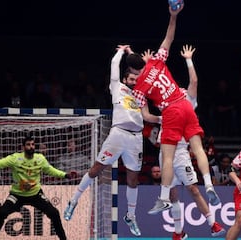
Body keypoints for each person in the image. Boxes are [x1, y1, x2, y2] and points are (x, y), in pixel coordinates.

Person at [126, 4, 220, 214]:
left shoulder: (138, 90)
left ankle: (163, 198)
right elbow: (169, 37)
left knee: (167, 157)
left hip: (170, 112)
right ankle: (210, 184)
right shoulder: (157, 61)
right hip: (185, 104)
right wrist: (173, 15)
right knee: (197, 148)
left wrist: (159, 119)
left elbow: (147, 116)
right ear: (143, 60)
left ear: (132, 71)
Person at [63, 45, 161, 237]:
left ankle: (130, 216)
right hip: (118, 134)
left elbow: (148, 117)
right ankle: (73, 201)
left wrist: (162, 119)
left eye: (136, 79)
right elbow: (114, 66)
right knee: (96, 169)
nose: (134, 82)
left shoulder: (140, 95)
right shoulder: (117, 87)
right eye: (131, 79)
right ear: (125, 79)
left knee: (133, 180)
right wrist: (122, 51)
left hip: (135, 139)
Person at [155, 44, 225, 239]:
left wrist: (188, 59)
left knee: (193, 189)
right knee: (172, 194)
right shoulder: (166, 100)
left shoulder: (189, 100)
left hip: (181, 152)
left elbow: (194, 79)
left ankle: (213, 224)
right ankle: (179, 233)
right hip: (165, 151)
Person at [0, 135, 75, 240]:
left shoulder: (40, 159)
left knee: (54, 213)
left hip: (36, 195)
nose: (31, 147)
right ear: (23, 147)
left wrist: (65, 175)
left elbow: (51, 170)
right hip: (17, 195)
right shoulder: (15, 158)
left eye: (33, 144)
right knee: (2, 213)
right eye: (28, 145)